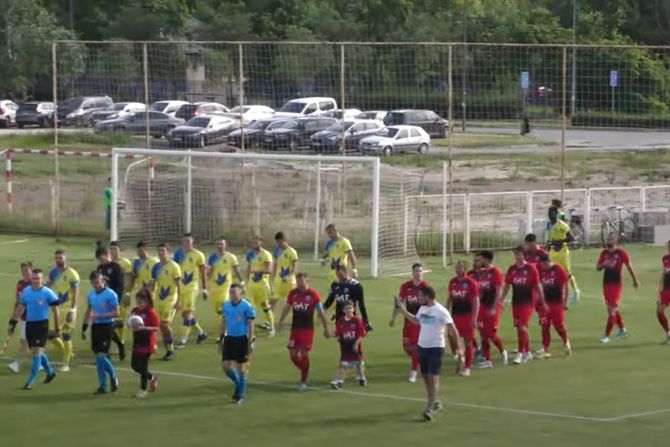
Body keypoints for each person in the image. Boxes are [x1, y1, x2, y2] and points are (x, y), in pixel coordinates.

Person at [394, 285, 463, 421]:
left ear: (427, 296)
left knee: (433, 376)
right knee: (426, 376)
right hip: (422, 347)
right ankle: (434, 400)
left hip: (436, 348)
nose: (418, 298)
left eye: (420, 296)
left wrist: (459, 349)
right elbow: (416, 321)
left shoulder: (441, 311)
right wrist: (402, 310)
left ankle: (430, 407)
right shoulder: (423, 308)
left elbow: (452, 329)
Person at [277, 272, 330, 391]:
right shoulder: (293, 293)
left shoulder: (313, 295)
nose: (299, 283)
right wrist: (280, 320)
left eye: (301, 280)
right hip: (295, 329)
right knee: (293, 356)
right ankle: (305, 369)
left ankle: (303, 380)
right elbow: (287, 307)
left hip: (307, 330)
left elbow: (321, 312)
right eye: (297, 280)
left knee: (304, 354)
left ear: (307, 280)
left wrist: (326, 328)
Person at [8, 269, 59, 390]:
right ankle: (50, 372)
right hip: (29, 324)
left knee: (36, 353)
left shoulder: (48, 293)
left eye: (38, 278)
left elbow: (55, 310)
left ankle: (30, 381)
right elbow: (20, 307)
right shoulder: (26, 292)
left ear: (42, 279)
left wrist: (57, 328)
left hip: (42, 325)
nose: (36, 280)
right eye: (34, 278)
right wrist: (13, 322)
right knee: (37, 351)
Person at [502, 247, 547, 365]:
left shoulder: (531, 268)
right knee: (520, 328)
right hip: (516, 301)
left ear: (524, 255)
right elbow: (507, 286)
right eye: (515, 255)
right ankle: (527, 352)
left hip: (528, 302)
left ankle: (520, 353)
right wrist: (501, 299)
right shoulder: (512, 269)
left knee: (522, 326)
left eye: (519, 255)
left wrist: (542, 301)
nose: (517, 257)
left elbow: (538, 285)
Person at [597, 232, 639, 343]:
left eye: (611, 239)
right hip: (606, 284)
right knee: (611, 309)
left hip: (616, 285)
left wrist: (635, 280)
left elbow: (629, 267)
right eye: (608, 238)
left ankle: (606, 336)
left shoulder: (621, 253)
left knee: (612, 310)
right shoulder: (604, 253)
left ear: (615, 240)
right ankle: (622, 329)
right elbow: (598, 267)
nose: (608, 240)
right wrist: (604, 264)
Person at [82, 271, 120, 394]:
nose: (95, 285)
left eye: (97, 282)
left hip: (107, 326)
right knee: (98, 357)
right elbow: (88, 310)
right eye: (93, 283)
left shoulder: (111, 295)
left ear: (102, 280)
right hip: (95, 327)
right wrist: (84, 326)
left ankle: (109, 380)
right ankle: (105, 384)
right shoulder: (91, 295)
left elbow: (116, 313)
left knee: (100, 356)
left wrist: (100, 315)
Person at [389, 263, 427, 382]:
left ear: (423, 272)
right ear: (412, 272)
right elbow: (398, 304)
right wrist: (393, 318)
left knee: (415, 346)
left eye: (420, 271)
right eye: (416, 271)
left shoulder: (425, 287)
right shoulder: (406, 286)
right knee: (406, 346)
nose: (418, 273)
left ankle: (414, 372)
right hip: (408, 320)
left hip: (420, 321)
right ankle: (421, 362)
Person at [469, 251, 507, 369]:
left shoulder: (495, 272)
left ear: (486, 260)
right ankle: (487, 359)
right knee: (483, 334)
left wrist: (494, 308)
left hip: (492, 307)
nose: (478, 262)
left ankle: (502, 351)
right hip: (482, 307)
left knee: (490, 333)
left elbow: (499, 291)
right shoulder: (481, 273)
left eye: (480, 260)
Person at [219, 283, 255, 404]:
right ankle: (239, 385)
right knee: (225, 367)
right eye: (231, 292)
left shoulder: (246, 306)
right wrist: (221, 338)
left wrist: (251, 341)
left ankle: (241, 395)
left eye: (234, 292)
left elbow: (250, 325)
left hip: (242, 339)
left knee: (241, 368)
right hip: (229, 339)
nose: (232, 294)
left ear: (241, 293)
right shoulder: (226, 306)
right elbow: (223, 322)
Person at [47, 249, 80, 372]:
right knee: (51, 335)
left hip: (68, 308)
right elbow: (47, 286)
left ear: (65, 258)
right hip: (56, 308)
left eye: (61, 258)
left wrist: (73, 310)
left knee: (66, 335)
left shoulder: (73, 274)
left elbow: (76, 293)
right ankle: (69, 353)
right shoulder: (53, 273)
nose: (58, 260)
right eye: (57, 258)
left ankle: (66, 364)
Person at [173, 233, 208, 348]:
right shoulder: (178, 254)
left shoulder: (198, 255)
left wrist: (204, 289)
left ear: (193, 242)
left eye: (189, 241)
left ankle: (183, 340)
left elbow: (203, 273)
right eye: (184, 241)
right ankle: (201, 333)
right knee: (184, 314)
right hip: (181, 288)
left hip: (192, 288)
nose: (186, 243)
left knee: (187, 312)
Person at [149, 243, 182, 361]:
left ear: (168, 252)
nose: (161, 253)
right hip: (159, 300)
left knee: (165, 325)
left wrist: (179, 301)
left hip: (170, 299)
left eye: (163, 251)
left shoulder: (174, 267)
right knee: (161, 327)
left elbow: (179, 285)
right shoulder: (156, 267)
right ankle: (168, 350)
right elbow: (152, 284)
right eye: (159, 251)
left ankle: (171, 349)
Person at [446, 261, 479, 377]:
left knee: (468, 341)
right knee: (451, 336)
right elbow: (449, 298)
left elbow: (475, 302)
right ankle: (460, 356)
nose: (458, 270)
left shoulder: (470, 283)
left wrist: (474, 318)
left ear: (465, 269)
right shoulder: (453, 282)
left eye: (460, 268)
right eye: (457, 268)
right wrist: (445, 312)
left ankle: (467, 368)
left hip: (467, 315)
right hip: (455, 316)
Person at [536, 253, 571, 358]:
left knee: (558, 325)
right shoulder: (540, 271)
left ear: (547, 261)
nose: (542, 266)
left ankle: (566, 342)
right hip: (545, 303)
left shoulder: (558, 269)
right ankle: (545, 349)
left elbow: (566, 285)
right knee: (545, 326)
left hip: (557, 303)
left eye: (543, 264)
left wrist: (565, 301)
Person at [96, 247, 126, 361]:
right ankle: (117, 345)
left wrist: (116, 300)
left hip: (112, 300)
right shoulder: (99, 268)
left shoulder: (116, 267)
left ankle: (111, 348)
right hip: (101, 301)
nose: (100, 261)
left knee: (107, 327)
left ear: (106, 255)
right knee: (103, 327)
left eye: (101, 258)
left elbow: (120, 286)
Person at [129, 289, 160, 400]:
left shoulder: (151, 312)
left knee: (142, 367)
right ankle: (152, 377)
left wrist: (144, 328)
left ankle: (142, 391)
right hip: (137, 341)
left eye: (140, 302)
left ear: (146, 301)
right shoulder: (135, 311)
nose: (139, 305)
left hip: (147, 342)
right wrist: (130, 325)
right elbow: (130, 322)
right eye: (137, 302)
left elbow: (156, 327)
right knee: (134, 365)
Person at [546, 206, 581, 304]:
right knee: (554, 273)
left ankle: (575, 291)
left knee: (567, 273)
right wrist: (548, 246)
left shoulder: (562, 225)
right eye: (549, 213)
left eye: (552, 213)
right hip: (553, 251)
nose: (550, 215)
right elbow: (550, 238)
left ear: (556, 214)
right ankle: (557, 294)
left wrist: (559, 241)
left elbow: (571, 238)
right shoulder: (549, 225)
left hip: (562, 252)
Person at [330, 300, 367, 389]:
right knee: (343, 364)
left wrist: (356, 344)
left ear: (353, 309)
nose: (349, 310)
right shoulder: (342, 320)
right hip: (345, 346)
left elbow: (362, 333)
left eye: (350, 308)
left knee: (359, 364)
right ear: (343, 310)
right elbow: (338, 332)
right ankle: (339, 381)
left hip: (354, 345)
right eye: (347, 309)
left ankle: (362, 378)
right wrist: (331, 334)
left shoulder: (357, 320)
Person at [324, 265, 371, 331]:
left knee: (353, 339)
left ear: (345, 272)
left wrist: (365, 321)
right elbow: (330, 299)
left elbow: (361, 304)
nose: (338, 276)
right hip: (339, 318)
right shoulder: (335, 284)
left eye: (340, 274)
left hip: (352, 318)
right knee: (342, 340)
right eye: (337, 274)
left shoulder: (356, 285)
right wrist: (323, 308)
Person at [207, 238, 244, 319]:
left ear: (225, 245)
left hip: (226, 287)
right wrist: (206, 286)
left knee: (224, 306)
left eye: (222, 244)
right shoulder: (212, 258)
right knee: (218, 309)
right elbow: (209, 273)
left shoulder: (231, 257)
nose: (220, 246)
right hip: (214, 287)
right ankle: (222, 325)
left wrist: (241, 282)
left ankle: (226, 328)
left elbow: (237, 270)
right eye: (218, 244)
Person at [245, 236, 275, 336]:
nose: (254, 245)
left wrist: (256, 270)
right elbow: (249, 268)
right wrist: (246, 281)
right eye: (253, 243)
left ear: (261, 243)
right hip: (251, 286)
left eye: (256, 242)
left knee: (265, 307)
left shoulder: (266, 255)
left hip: (262, 286)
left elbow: (269, 270)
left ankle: (272, 327)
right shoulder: (250, 254)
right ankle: (248, 329)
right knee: (249, 307)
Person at [8, 262, 33, 374]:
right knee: (31, 343)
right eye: (23, 270)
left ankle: (17, 364)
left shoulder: (34, 284)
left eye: (27, 270)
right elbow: (18, 302)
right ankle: (42, 363)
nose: (25, 273)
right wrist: (13, 319)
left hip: (32, 318)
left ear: (31, 271)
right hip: (23, 317)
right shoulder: (20, 284)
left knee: (24, 341)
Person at [109, 241, 133, 344]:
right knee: (110, 318)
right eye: (111, 249)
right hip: (109, 294)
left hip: (121, 294)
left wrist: (127, 293)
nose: (112, 251)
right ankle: (111, 339)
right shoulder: (108, 263)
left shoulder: (125, 263)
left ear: (120, 250)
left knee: (120, 318)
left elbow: (128, 279)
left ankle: (120, 339)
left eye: (115, 248)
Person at [271, 232, 299, 312]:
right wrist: (273, 275)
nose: (278, 244)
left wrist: (288, 276)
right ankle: (269, 321)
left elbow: (295, 266)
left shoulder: (292, 252)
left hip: (289, 281)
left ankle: (297, 319)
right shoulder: (277, 250)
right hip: (278, 281)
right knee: (272, 301)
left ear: (284, 240)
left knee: (292, 302)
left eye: (280, 242)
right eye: (277, 242)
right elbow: (275, 264)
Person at [656, 241, 670, 342]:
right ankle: (668, 333)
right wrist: (659, 290)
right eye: (668, 246)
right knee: (659, 311)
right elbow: (664, 274)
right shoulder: (665, 258)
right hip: (666, 288)